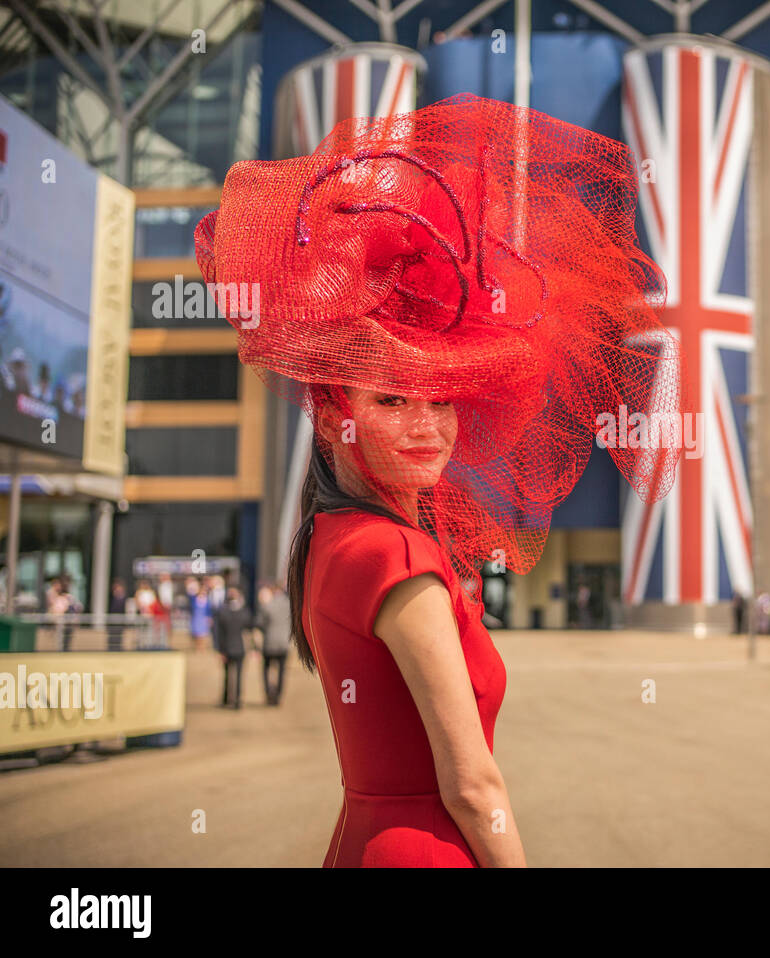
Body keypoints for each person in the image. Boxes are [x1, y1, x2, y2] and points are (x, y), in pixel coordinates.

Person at [194, 93, 682, 867]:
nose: (428, 427)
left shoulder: (329, 537)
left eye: (443, 400)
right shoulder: (398, 557)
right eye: (391, 399)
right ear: (333, 413)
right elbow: (473, 786)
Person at [213, 585, 255, 708]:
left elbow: (219, 633)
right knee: (237, 675)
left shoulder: (223, 612)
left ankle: (227, 700)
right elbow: (250, 627)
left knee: (227, 675)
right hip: (239, 647)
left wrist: (220, 650)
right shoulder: (244, 612)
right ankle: (236, 700)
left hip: (228, 647)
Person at [255, 581, 292, 706]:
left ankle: (268, 694)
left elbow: (260, 624)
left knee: (266, 669)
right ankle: (278, 695)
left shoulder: (267, 605)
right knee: (281, 671)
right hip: (284, 643)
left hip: (269, 642)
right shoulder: (289, 605)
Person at [107, 579, 128, 651]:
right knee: (112, 635)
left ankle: (117, 648)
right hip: (113, 620)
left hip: (120, 620)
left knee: (119, 635)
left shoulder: (124, 598)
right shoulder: (111, 597)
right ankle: (112, 648)